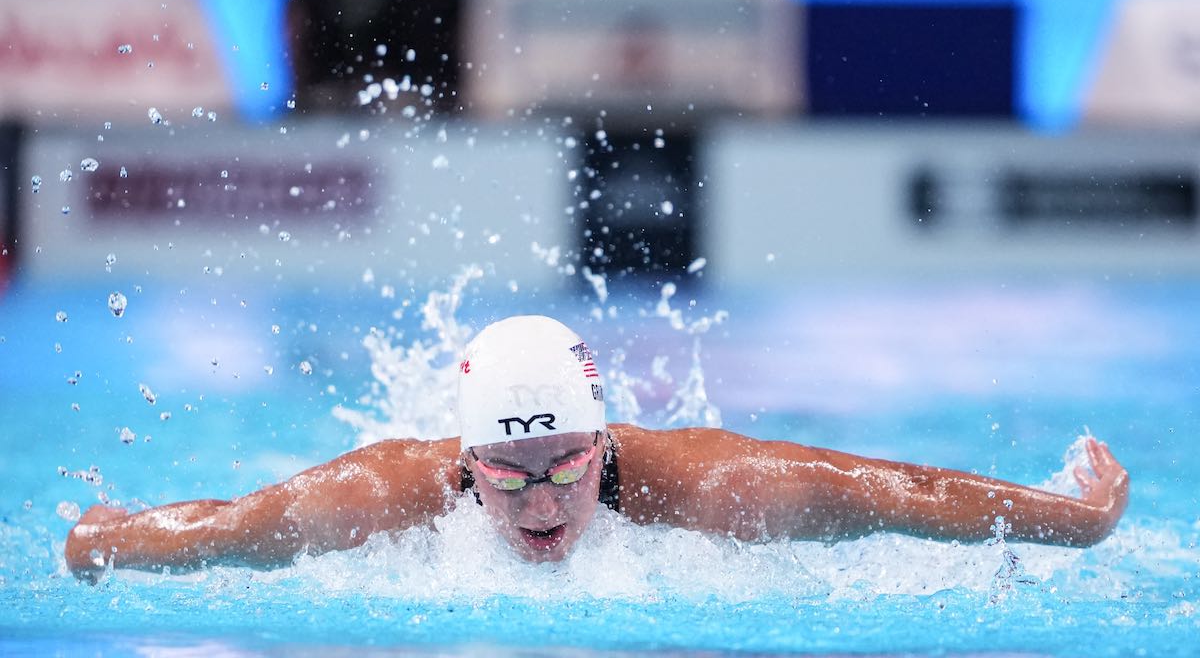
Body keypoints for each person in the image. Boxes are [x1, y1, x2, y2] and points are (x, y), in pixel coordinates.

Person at [65, 315, 1129, 580]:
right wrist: (102, 538)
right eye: (510, 474)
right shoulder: (376, 494)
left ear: (605, 437)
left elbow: (909, 489)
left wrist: (1076, 518)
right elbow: (220, 526)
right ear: (467, 463)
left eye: (567, 465)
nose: (540, 501)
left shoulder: (721, 487)